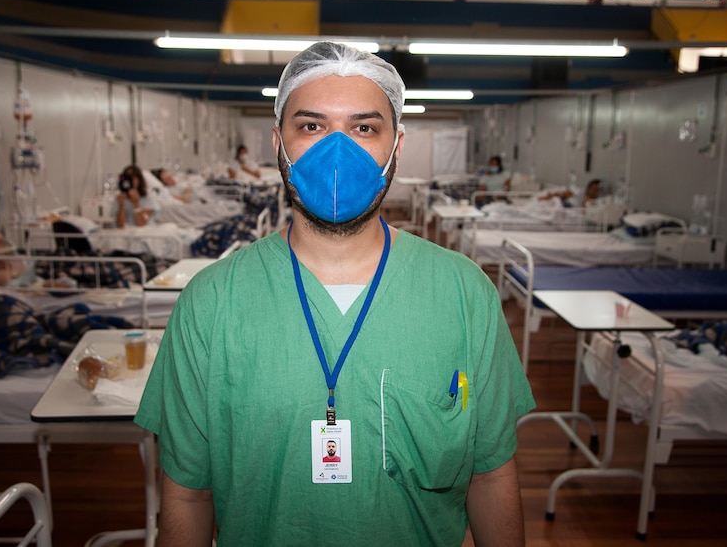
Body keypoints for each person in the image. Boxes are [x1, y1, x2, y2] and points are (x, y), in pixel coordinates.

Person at [135, 41, 534, 547]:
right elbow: (188, 496)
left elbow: (491, 475)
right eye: (312, 126)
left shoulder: (464, 294)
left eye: (364, 128)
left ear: (397, 145)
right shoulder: (211, 303)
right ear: (277, 141)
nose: (337, 151)